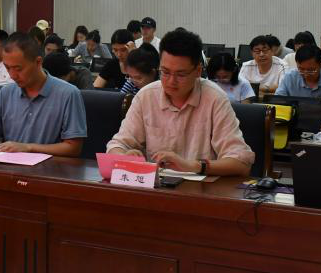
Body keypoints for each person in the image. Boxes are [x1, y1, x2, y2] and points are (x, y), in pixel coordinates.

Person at [107, 29, 253, 177]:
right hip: (156, 186)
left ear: (198, 71)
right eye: (165, 72)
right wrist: (125, 156)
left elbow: (241, 163)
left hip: (199, 188)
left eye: (181, 74)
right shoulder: (146, 96)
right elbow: (116, 145)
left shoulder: (215, 99)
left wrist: (193, 165)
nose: (171, 81)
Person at [0, 33, 86, 156]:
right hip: (9, 165)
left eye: (18, 69)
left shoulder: (68, 94)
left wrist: (28, 148)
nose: (12, 75)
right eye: (7, 68)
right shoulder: (6, 92)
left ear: (38, 62)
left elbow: (73, 147)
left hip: (50, 168)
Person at [276, 44, 321, 113]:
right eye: (301, 69)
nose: (306, 74)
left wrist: (308, 109)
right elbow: (277, 102)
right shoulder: (290, 76)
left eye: (311, 70)